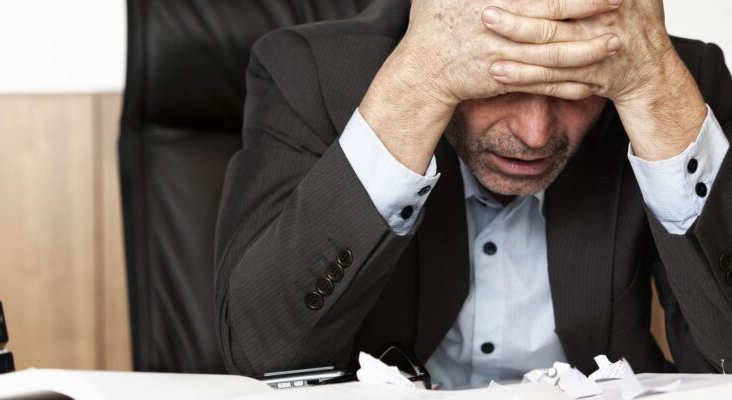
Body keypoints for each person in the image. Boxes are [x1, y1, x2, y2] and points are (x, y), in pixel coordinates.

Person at [214, 0, 732, 388]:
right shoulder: (314, 71)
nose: (534, 135)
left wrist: (655, 93)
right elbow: (261, 352)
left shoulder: (664, 80)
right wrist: (417, 86)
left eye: (577, 88)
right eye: (499, 82)